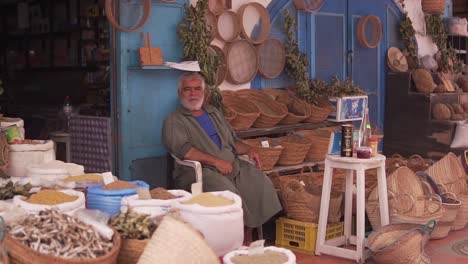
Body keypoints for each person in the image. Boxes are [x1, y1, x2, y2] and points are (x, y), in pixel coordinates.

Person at [162, 72, 282, 229]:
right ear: (180, 93)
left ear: (204, 92)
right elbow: (184, 151)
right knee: (228, 194)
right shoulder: (175, 119)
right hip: (200, 172)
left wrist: (249, 149)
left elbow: (232, 142)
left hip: (231, 165)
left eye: (197, 89)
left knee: (259, 181)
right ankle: (237, 235)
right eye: (187, 89)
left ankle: (255, 232)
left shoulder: (214, 113)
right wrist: (216, 162)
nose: (193, 93)